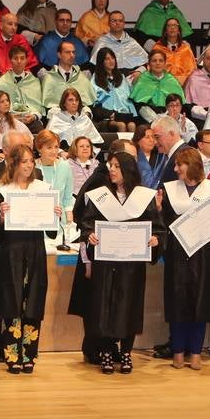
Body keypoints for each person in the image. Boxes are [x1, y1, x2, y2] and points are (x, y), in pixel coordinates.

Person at [71, 150, 162, 373]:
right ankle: (106, 351)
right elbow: (86, 223)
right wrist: (89, 234)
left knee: (129, 306)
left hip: (131, 265)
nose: (111, 170)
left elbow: (158, 227)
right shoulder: (101, 196)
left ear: (128, 170)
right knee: (104, 307)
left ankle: (126, 352)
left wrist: (155, 238)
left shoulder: (143, 197)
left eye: (116, 166)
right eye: (110, 165)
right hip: (106, 264)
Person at [0, 144, 61, 373]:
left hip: (34, 250)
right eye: (24, 161)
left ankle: (29, 356)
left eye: (31, 161)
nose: (28, 166)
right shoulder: (0, 190)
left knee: (33, 300)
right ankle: (12, 354)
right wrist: (2, 217)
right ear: (13, 163)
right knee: (11, 301)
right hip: (11, 252)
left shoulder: (43, 188)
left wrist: (55, 215)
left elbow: (52, 231)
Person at [162, 146, 210, 369]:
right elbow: (162, 221)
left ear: (192, 165)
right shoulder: (168, 191)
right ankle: (177, 351)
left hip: (205, 256)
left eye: (180, 165)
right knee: (178, 304)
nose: (176, 169)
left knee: (199, 305)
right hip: (177, 256)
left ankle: (195, 352)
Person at [90, 47, 137, 132]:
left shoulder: (121, 77)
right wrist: (110, 114)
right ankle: (121, 145)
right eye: (107, 59)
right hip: (107, 116)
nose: (111, 61)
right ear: (101, 62)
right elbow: (95, 104)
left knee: (132, 125)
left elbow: (128, 99)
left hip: (123, 114)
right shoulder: (96, 79)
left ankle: (131, 145)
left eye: (112, 58)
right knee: (121, 125)